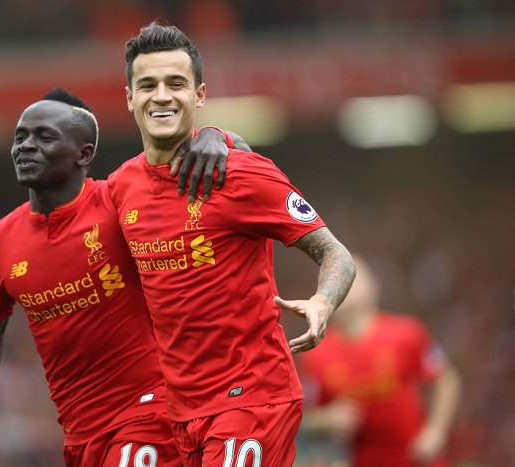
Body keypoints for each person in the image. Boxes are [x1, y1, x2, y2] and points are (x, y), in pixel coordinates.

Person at [0, 88, 250, 466]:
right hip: (80, 434)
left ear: (84, 154)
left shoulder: (121, 201)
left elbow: (237, 154)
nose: (26, 145)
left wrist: (215, 136)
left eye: (44, 136)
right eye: (20, 136)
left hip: (152, 413)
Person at [107, 22, 356, 467]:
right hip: (181, 411)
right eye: (147, 85)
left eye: (176, 84)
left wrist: (323, 301)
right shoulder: (119, 187)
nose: (161, 96)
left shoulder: (241, 174)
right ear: (129, 97)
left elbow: (336, 254)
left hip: (254, 398)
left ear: (199, 94)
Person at [296, 255, 462, 467]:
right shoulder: (316, 355)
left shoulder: (407, 333)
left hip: (418, 460)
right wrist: (328, 419)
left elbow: (446, 381)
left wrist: (436, 430)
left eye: (349, 275)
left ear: (372, 285)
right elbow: (304, 416)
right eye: (331, 278)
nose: (341, 284)